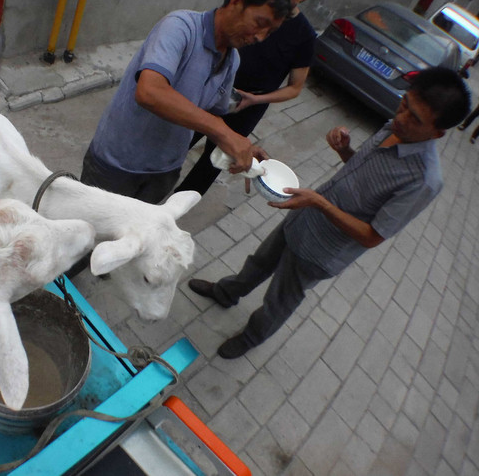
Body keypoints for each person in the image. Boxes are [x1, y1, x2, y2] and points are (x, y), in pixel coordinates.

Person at [188, 67, 470, 359]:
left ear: (437, 133)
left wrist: (319, 203)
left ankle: (251, 337)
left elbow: (373, 236)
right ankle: (226, 293)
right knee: (259, 262)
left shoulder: (424, 180)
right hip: (303, 216)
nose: (401, 118)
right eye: (404, 104)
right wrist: (345, 151)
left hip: (321, 250)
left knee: (280, 299)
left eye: (415, 118)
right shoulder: (393, 127)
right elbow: (361, 173)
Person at [79, 0, 292, 204]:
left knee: (132, 236)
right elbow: (149, 92)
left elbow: (211, 114)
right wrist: (222, 130)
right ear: (236, 2)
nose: (261, 37)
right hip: (116, 164)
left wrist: (244, 151)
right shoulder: (180, 27)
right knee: (86, 232)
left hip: (164, 172)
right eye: (260, 23)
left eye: (269, 32)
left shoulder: (233, 62)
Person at [175, 0, 317, 195]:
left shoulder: (304, 37)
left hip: (245, 106)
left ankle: (179, 205)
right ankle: (153, 183)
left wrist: (255, 100)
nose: (260, 35)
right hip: (214, 86)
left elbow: (295, 88)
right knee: (181, 138)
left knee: (213, 163)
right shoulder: (255, 3)